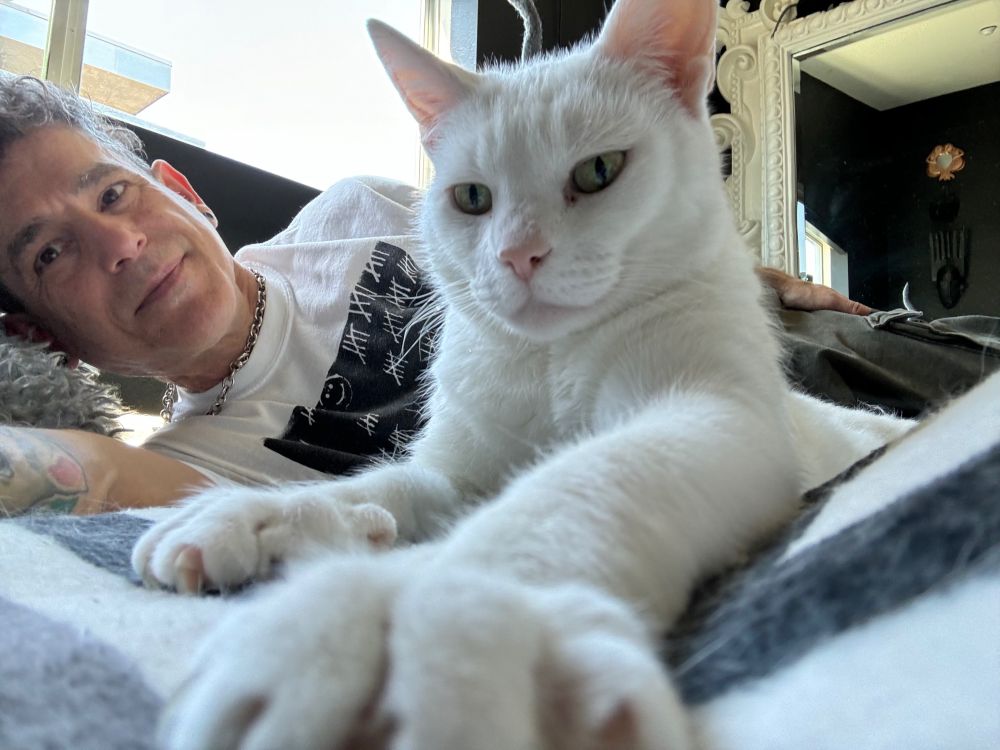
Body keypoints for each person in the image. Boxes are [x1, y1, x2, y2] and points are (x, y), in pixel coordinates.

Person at [0, 74, 871, 517]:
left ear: (182, 190)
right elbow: (84, 473)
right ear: (49, 340)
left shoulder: (361, 207)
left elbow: (562, 244)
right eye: (50, 254)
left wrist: (752, 280)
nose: (118, 245)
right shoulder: (194, 467)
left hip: (793, 363)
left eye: (112, 195)